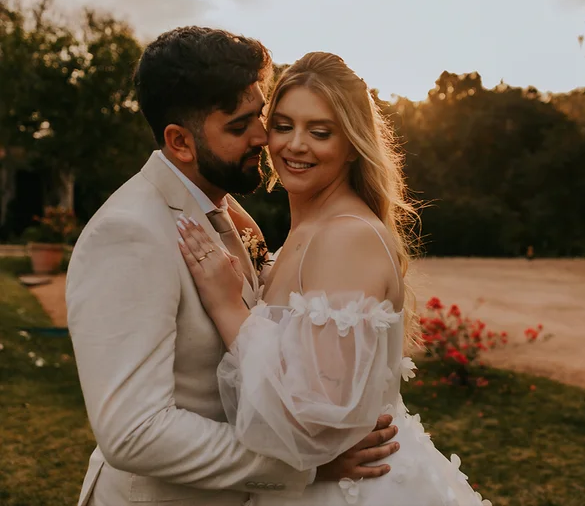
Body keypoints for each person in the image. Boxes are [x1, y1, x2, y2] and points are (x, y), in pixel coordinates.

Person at [65, 28, 398, 506]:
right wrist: (302, 461)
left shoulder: (219, 215)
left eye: (260, 115)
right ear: (181, 142)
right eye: (241, 127)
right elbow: (134, 433)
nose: (266, 137)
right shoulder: (131, 233)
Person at [176, 51, 491, 506]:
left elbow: (314, 418)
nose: (295, 145)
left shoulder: (346, 237)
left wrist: (228, 308)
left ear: (351, 143)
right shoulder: (309, 228)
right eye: (283, 126)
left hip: (352, 489)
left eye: (320, 132)